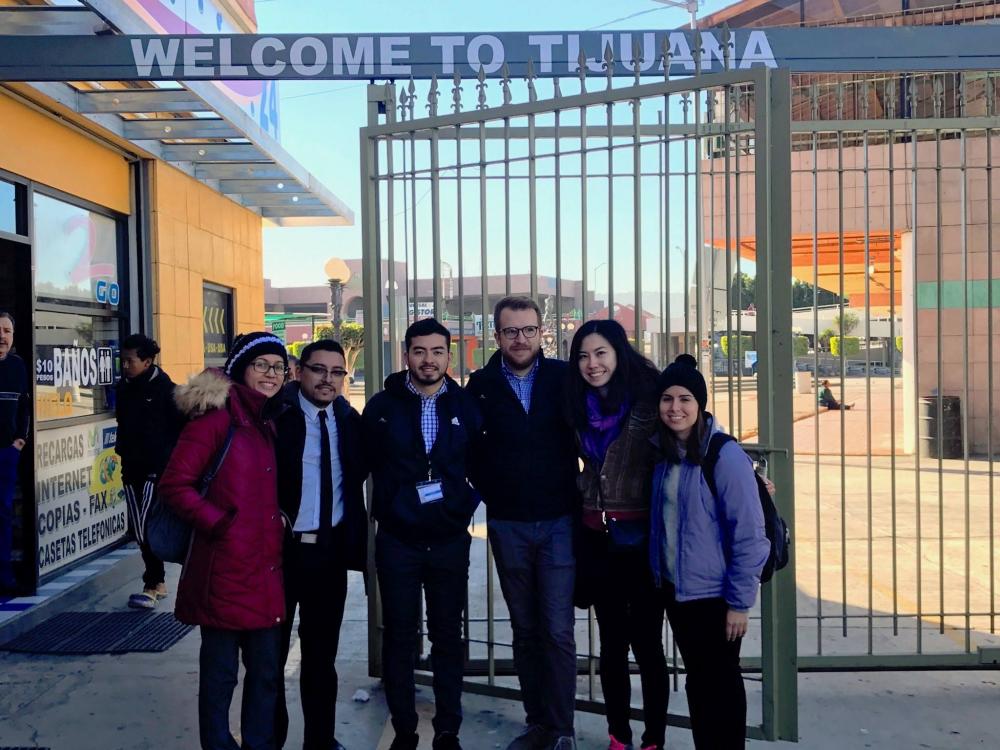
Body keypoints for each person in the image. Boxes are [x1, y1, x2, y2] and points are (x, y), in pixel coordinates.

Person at [159, 332, 288, 750]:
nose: (271, 374)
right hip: (224, 569)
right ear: (240, 369)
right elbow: (175, 485)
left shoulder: (267, 419)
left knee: (267, 673)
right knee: (220, 676)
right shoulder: (215, 419)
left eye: (278, 366)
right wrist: (219, 524)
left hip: (264, 569)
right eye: (261, 365)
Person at [362, 318, 483, 750]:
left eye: (436, 352)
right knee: (398, 634)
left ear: (449, 356)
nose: (428, 360)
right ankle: (405, 729)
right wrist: (390, 505)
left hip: (449, 540)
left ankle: (448, 728)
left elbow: (483, 465)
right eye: (419, 351)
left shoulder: (466, 405)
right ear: (406, 355)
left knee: (448, 635)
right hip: (397, 541)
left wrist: (463, 504)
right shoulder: (381, 406)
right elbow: (363, 462)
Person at [466, 296, 578, 750]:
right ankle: (538, 723)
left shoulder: (563, 379)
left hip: (558, 523)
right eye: (511, 331)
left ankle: (563, 728)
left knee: (557, 628)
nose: (520, 339)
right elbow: (469, 450)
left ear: (541, 332)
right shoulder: (482, 385)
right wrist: (496, 492)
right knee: (526, 628)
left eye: (528, 330)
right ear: (497, 335)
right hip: (509, 524)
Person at [649, 354, 769, 749]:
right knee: (700, 682)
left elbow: (750, 536)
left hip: (716, 597)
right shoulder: (666, 454)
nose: (675, 408)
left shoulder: (724, 456)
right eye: (667, 399)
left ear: (699, 404)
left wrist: (739, 602)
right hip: (678, 592)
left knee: (721, 685)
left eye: (685, 398)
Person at [564, 319, 664, 750]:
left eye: (601, 353)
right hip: (596, 537)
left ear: (619, 353)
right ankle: (618, 735)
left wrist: (750, 478)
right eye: (584, 355)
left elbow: (693, 436)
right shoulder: (573, 402)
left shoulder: (649, 398)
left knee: (646, 641)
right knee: (610, 645)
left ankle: (653, 737)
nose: (592, 364)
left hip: (641, 539)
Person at [274, 339, 368, 750]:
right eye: (319, 370)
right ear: (299, 372)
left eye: (337, 372)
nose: (328, 379)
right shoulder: (276, 417)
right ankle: (267, 740)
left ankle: (320, 741)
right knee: (268, 661)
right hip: (278, 555)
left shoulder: (350, 421)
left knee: (320, 660)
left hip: (328, 555)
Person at [115, 334, 184, 609]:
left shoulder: (168, 392)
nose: (125, 366)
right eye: (123, 360)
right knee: (139, 527)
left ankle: (153, 582)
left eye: (130, 361)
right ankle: (158, 581)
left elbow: (181, 433)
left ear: (147, 360)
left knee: (145, 526)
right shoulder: (124, 389)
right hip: (130, 468)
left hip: (157, 471)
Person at [0, 311, 29, 592]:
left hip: (6, 454)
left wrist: (19, 441)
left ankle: (4, 575)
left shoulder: (17, 367)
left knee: (3, 514)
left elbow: (25, 408)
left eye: (7, 330)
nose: (2, 336)